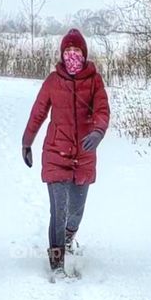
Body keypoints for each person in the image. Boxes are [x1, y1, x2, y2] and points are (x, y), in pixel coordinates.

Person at [22, 28, 110, 273]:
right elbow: (38, 112)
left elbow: (102, 110)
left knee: (75, 213)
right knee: (58, 211)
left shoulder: (94, 81)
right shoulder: (53, 81)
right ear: (62, 54)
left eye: (76, 51)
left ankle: (69, 238)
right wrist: (27, 141)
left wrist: (97, 132)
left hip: (84, 155)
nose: (72, 55)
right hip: (55, 153)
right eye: (68, 51)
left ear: (84, 54)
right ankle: (57, 263)